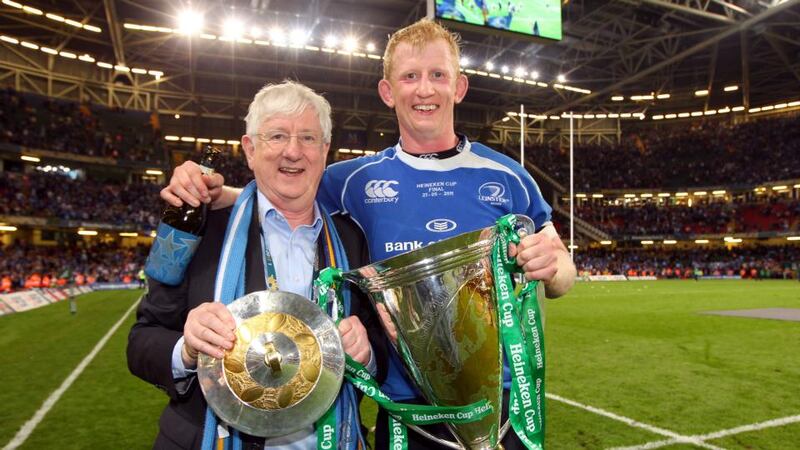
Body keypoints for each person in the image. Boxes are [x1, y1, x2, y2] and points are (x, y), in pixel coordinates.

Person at [160, 18, 576, 450]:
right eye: (410, 76)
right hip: (405, 411)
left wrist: (554, 266)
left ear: (460, 86)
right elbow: (281, 186)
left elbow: (563, 272)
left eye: (438, 75)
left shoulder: (508, 176)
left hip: (499, 404)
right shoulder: (354, 180)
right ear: (387, 91)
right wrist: (211, 190)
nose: (425, 89)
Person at [127, 81, 387, 450]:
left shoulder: (351, 238)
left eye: (309, 138)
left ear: (325, 150)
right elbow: (141, 342)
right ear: (249, 149)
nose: (293, 152)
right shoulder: (196, 229)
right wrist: (187, 348)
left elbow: (383, 344)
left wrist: (369, 352)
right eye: (277, 136)